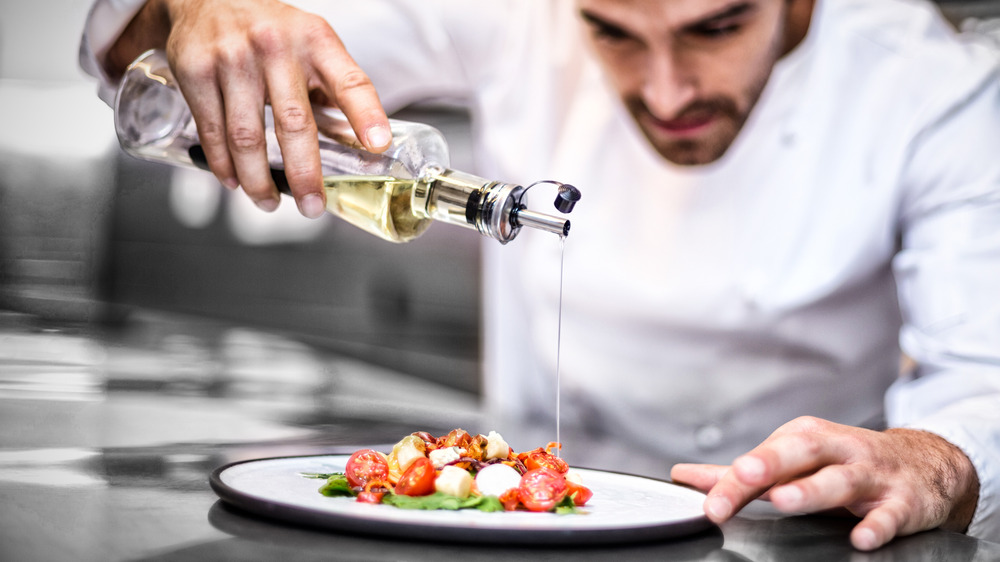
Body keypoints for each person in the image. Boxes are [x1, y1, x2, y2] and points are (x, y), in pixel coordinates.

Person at [80, 0, 1000, 550]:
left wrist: (935, 454)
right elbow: (149, 61)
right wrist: (203, 9)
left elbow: (984, 376)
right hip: (513, 522)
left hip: (791, 539)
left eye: (718, 26)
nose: (669, 91)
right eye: (614, 31)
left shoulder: (931, 84)